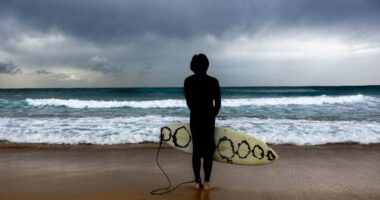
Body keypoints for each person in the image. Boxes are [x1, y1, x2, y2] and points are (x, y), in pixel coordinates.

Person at [184, 53, 221, 190]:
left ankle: (196, 182)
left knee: (196, 150)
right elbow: (217, 104)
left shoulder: (187, 81)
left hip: (195, 118)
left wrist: (196, 112)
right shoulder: (214, 81)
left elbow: (189, 102)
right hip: (208, 119)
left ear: (192, 67)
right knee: (208, 151)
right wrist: (211, 116)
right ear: (207, 66)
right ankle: (206, 183)